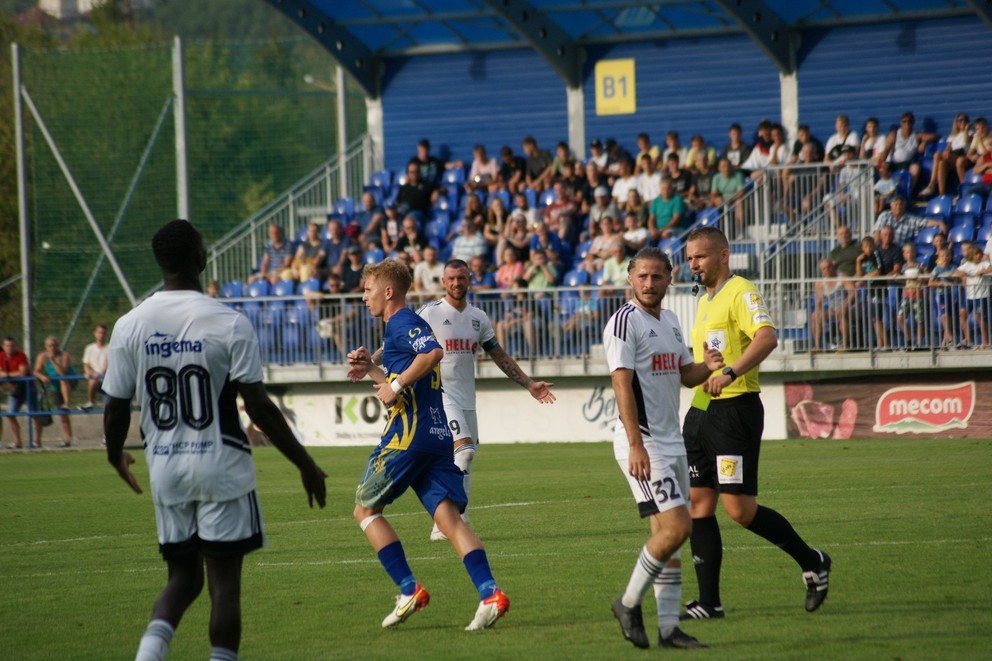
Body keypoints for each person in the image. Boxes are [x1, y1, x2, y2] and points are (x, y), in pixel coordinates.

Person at [102, 219, 327, 661]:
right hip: (222, 467)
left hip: (164, 466)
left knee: (181, 580)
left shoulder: (129, 325)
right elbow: (259, 409)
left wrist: (114, 455)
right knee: (224, 587)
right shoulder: (228, 322)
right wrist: (305, 463)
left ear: (159, 261)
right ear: (201, 259)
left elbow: (115, 406)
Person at [344, 259, 510, 631]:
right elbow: (403, 377)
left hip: (408, 438)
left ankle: (408, 590)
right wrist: (371, 371)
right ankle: (490, 594)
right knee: (449, 520)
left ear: (388, 292)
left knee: (365, 510)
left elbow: (432, 353)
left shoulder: (403, 321)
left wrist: (396, 385)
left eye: (368, 289)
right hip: (435, 438)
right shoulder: (399, 327)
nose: (364, 296)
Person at [680, 226, 831, 620]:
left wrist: (729, 372)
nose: (693, 264)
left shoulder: (741, 290)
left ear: (723, 255)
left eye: (700, 256)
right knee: (698, 504)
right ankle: (709, 603)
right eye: (690, 258)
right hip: (699, 411)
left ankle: (812, 560)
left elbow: (767, 337)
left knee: (740, 511)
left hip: (735, 410)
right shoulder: (704, 300)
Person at [364, 259, 556, 541]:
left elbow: (498, 355)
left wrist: (528, 383)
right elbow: (396, 339)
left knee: (464, 458)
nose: (456, 283)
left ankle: (448, 521)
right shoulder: (429, 313)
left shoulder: (479, 318)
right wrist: (370, 362)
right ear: (443, 281)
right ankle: (451, 524)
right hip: (440, 396)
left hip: (466, 399)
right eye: (451, 278)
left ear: (469, 279)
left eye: (461, 278)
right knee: (463, 451)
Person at [604, 247, 723, 650]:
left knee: (667, 535)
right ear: (630, 279)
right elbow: (621, 383)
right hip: (643, 441)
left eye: (657, 277)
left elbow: (686, 376)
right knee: (677, 527)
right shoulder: (623, 322)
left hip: (672, 441)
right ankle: (627, 601)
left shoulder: (671, 321)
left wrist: (708, 365)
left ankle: (669, 628)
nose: (649, 284)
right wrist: (636, 443)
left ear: (669, 278)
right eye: (642, 277)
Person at [1, 337, 42, 449]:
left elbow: (22, 372)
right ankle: (17, 442)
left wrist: (7, 375)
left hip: (28, 388)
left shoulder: (21, 356)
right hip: (15, 390)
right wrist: (8, 375)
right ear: (3, 347)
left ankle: (37, 441)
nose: (10, 348)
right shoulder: (2, 356)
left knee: (35, 414)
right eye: (7, 346)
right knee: (10, 414)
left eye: (12, 345)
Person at [33, 336, 74, 447]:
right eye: (49, 345)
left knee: (62, 380)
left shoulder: (64, 355)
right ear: (45, 346)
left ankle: (67, 403)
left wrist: (53, 360)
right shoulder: (42, 356)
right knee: (62, 414)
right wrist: (42, 376)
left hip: (69, 381)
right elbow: (36, 371)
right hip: (54, 385)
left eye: (54, 345)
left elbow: (62, 373)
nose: (52, 348)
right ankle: (67, 439)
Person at [810, 259, 854, 352]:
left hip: (849, 306)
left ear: (833, 266)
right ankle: (817, 346)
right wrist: (818, 309)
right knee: (815, 316)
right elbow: (819, 301)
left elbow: (852, 293)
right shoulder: (820, 283)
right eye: (824, 268)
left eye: (829, 267)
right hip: (832, 309)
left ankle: (845, 345)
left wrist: (845, 305)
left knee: (841, 313)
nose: (827, 270)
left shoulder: (842, 278)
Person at [81, 323, 109, 410]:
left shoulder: (110, 348)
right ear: (95, 333)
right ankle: (90, 402)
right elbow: (86, 364)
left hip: (108, 380)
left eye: (103, 333)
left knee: (108, 409)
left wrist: (101, 373)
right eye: (99, 332)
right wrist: (89, 372)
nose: (101, 335)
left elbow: (111, 365)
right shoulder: (89, 348)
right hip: (96, 380)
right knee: (92, 382)